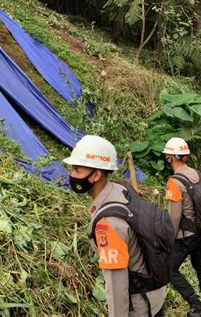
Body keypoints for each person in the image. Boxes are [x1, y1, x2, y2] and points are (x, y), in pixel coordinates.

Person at [63, 135, 165, 317]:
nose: (72, 176)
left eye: (77, 170)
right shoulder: (121, 189)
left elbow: (117, 286)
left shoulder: (109, 225)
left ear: (96, 175)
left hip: (141, 307)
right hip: (153, 294)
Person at [163, 137, 201, 317]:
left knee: (168, 270)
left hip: (186, 234)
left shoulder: (174, 181)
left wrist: (167, 238)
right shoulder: (197, 174)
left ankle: (197, 307)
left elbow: (174, 215)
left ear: (170, 158)